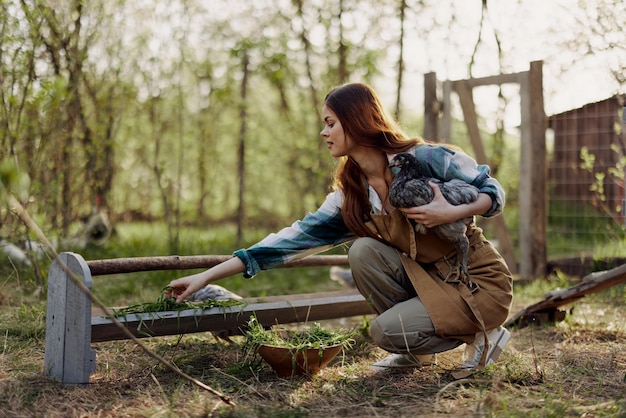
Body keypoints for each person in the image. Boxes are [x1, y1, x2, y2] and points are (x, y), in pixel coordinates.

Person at [167, 82, 513, 375]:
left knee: (385, 331)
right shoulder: (351, 197)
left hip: (478, 283)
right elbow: (284, 244)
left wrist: (450, 210)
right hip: (430, 284)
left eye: (330, 123)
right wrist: (205, 278)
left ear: (356, 120)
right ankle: (416, 351)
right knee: (363, 251)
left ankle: (483, 334)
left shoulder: (423, 159)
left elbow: (491, 190)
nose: (323, 132)